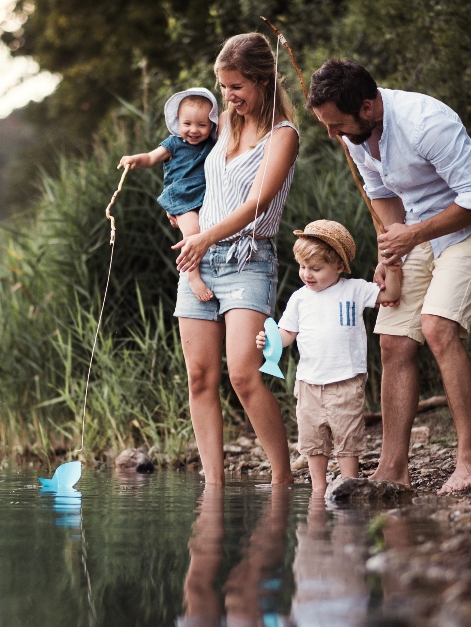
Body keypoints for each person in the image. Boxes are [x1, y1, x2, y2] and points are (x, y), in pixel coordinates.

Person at [307, 59, 471, 494]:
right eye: (326, 125)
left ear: (367, 106)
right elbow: (382, 196)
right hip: (417, 232)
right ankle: (393, 469)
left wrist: (412, 234)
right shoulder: (355, 136)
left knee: (436, 328)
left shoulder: (425, 123)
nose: (332, 134)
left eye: (337, 124)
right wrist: (390, 250)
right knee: (394, 339)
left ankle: (470, 463)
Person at [171, 32, 300, 485]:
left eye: (237, 87)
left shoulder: (284, 136)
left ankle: (283, 480)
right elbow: (182, 174)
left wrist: (204, 237)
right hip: (199, 260)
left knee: (245, 375)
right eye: (224, 87)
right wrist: (189, 228)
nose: (228, 97)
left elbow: (258, 204)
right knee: (200, 378)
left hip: (249, 258)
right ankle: (213, 486)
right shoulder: (222, 121)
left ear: (263, 81)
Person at [254, 220, 401, 492]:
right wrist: (269, 340)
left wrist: (392, 266)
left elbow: (390, 293)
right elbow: (287, 333)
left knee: (347, 437)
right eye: (303, 266)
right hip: (309, 383)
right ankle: (318, 489)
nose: (307, 274)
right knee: (312, 440)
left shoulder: (354, 289)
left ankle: (347, 484)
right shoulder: (300, 298)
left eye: (316, 268)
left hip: (346, 380)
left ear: (339, 266)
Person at [120, 88, 220, 301]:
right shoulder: (173, 143)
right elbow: (150, 158)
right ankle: (192, 276)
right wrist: (134, 160)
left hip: (205, 197)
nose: (194, 130)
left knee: (209, 230)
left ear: (211, 123)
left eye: (201, 125)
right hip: (182, 197)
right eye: (187, 124)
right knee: (192, 232)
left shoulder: (212, 145)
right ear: (177, 122)